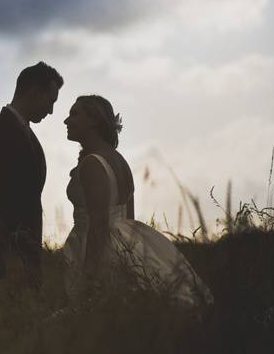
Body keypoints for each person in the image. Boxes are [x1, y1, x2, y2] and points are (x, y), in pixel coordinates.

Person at [61, 95, 213, 306]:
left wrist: (89, 277)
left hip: (96, 250)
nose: (66, 121)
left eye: (74, 114)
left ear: (94, 120)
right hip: (126, 245)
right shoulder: (119, 160)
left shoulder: (92, 164)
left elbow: (98, 226)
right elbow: (129, 219)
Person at [0, 61, 63, 288]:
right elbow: (0, 196)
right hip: (5, 251)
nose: (51, 110)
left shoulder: (26, 134)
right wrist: (14, 255)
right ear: (34, 92)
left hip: (23, 251)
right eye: (51, 100)